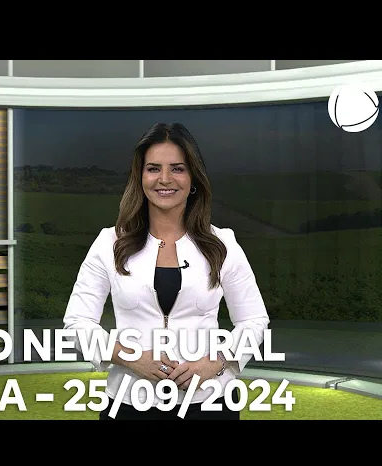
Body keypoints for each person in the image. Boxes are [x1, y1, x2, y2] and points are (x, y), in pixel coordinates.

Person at [62, 122, 270, 420]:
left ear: (193, 177)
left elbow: (254, 320)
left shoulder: (223, 243)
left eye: (177, 169)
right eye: (153, 168)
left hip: (210, 403)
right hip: (129, 404)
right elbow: (77, 323)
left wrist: (215, 362)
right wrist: (132, 358)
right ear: (140, 177)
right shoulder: (109, 243)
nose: (164, 179)